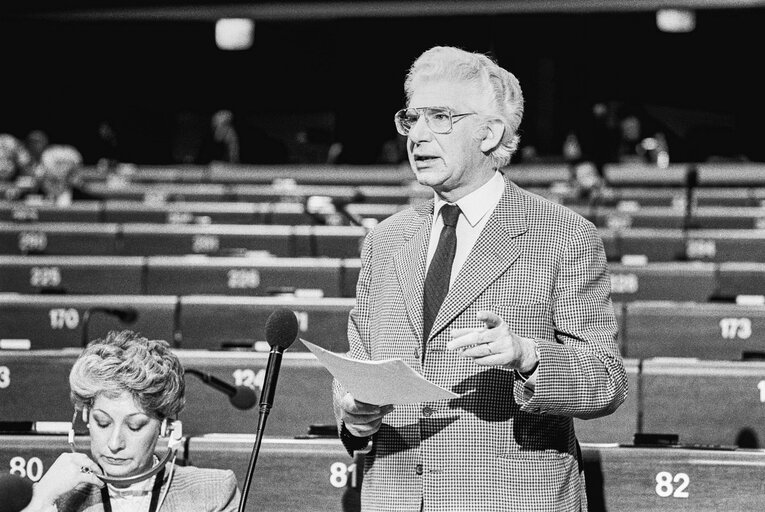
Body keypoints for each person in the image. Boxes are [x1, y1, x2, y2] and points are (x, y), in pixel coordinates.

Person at [333, 46, 627, 511]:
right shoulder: (385, 239)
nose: (419, 135)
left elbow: (606, 379)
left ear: (490, 133)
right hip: (394, 497)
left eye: (440, 117)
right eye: (412, 119)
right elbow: (360, 364)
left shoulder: (564, 236)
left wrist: (530, 357)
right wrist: (354, 413)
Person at [23, 330, 240, 512]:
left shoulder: (214, 492)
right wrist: (40, 499)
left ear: (165, 427)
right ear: (86, 417)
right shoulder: (58, 497)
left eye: (134, 426)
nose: (115, 443)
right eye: (102, 423)